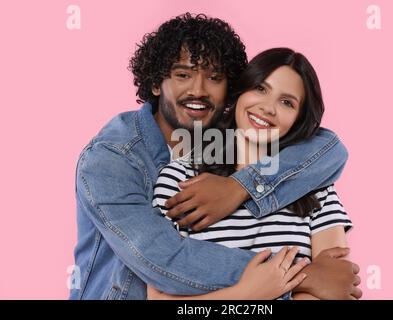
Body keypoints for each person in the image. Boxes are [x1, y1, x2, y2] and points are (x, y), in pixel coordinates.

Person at [70, 13, 360, 300]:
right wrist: (296, 277)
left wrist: (239, 187)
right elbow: (163, 261)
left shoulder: (219, 145)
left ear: (231, 89)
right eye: (183, 74)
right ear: (156, 84)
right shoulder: (113, 159)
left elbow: (329, 148)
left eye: (214, 77)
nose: (198, 90)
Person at [148, 48, 356, 300]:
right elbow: (160, 295)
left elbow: (336, 286)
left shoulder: (314, 186)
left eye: (287, 102)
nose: (268, 108)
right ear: (239, 92)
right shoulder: (178, 178)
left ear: (298, 120)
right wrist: (249, 293)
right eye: (260, 89)